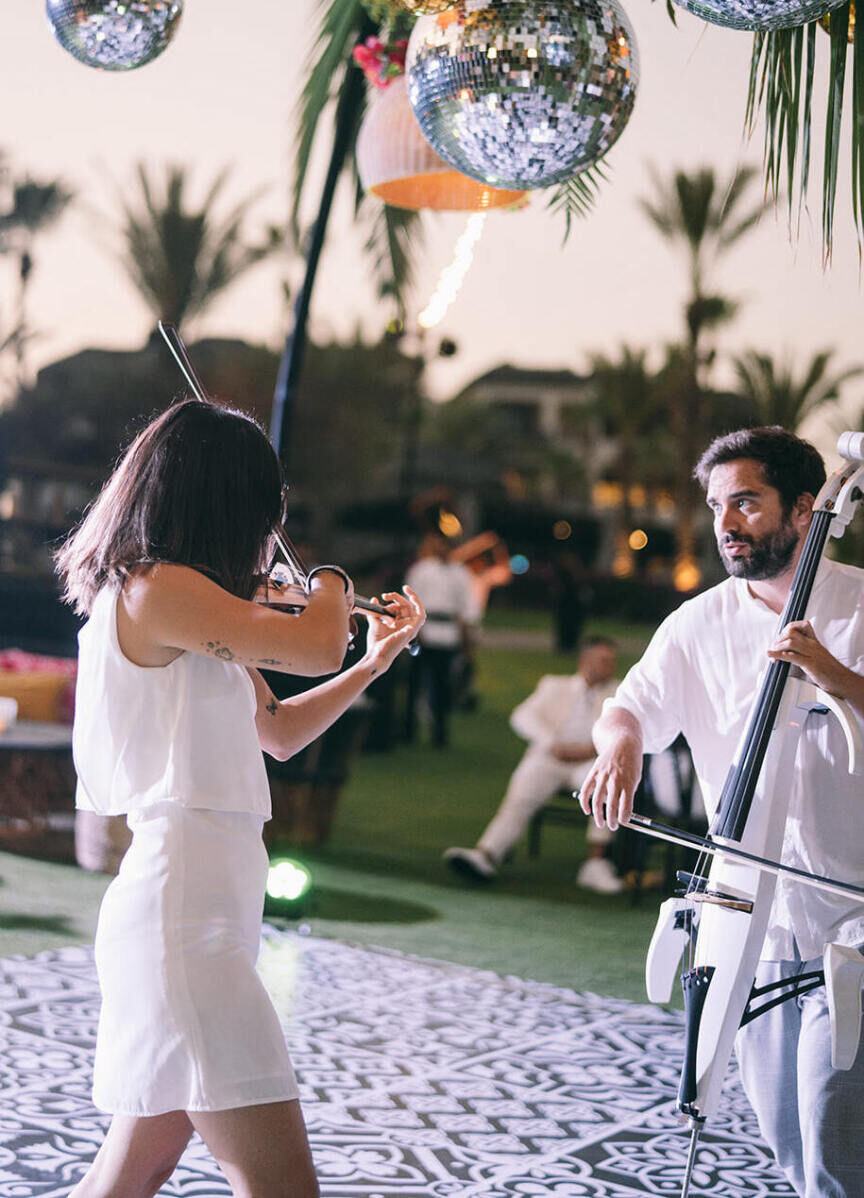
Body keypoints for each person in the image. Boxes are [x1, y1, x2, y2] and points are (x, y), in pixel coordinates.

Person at [55, 399, 424, 1198]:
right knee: (284, 1187)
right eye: (269, 506)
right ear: (225, 497)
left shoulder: (201, 610)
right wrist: (331, 582)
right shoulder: (156, 589)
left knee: (129, 1177)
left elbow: (279, 730)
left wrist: (371, 665)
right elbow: (317, 637)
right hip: (182, 921)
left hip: (209, 911)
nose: (271, 525)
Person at [580, 426, 864, 1198]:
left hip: (854, 915)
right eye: (715, 505)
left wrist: (836, 675)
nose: (726, 523)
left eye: (746, 501)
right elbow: (628, 706)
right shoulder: (698, 623)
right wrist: (622, 748)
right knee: (787, 1141)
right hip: (751, 917)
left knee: (836, 1136)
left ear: (807, 510)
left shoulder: (860, 604)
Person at [444, 637, 622, 891]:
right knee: (523, 789)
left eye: (612, 661)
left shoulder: (619, 691)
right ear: (585, 661)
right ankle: (486, 854)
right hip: (552, 756)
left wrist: (592, 749)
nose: (610, 666)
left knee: (604, 787)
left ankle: (595, 863)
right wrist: (551, 744)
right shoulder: (554, 685)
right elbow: (523, 716)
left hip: (591, 761)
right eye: (604, 660)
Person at [404, 532, 474, 747]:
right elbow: (412, 600)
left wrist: (466, 637)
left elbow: (465, 607)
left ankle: (439, 733)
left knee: (442, 686)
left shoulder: (461, 573)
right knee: (414, 684)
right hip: (425, 631)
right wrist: (416, 631)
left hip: (447, 635)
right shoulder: (422, 570)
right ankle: (408, 731)